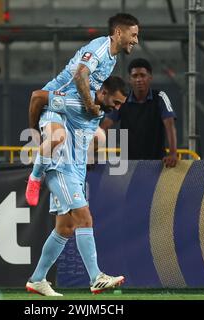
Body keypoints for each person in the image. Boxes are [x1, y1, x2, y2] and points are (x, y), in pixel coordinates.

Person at [25, 76, 128, 296]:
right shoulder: (77, 101)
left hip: (75, 171)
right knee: (85, 219)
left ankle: (37, 279)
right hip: (61, 169)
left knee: (65, 228)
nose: (117, 108)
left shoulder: (98, 112)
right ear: (103, 93)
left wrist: (92, 151)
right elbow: (38, 97)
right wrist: (35, 131)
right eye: (116, 102)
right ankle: (96, 277)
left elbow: (95, 134)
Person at [26, 13, 139, 206]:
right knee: (57, 137)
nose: (136, 40)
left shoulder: (111, 58)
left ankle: (72, 174)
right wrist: (89, 105)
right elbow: (80, 75)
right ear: (119, 33)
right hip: (57, 100)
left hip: (74, 108)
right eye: (134, 35)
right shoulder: (100, 49)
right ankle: (35, 178)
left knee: (99, 138)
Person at [100, 58, 178, 167]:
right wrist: (90, 154)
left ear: (150, 77)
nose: (138, 79)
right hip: (128, 166)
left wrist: (173, 153)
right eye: (135, 76)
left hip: (157, 165)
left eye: (142, 75)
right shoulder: (122, 100)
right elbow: (106, 125)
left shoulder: (160, 97)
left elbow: (169, 125)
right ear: (129, 79)